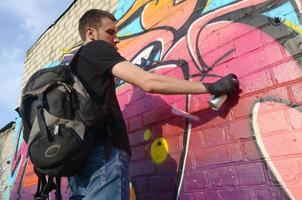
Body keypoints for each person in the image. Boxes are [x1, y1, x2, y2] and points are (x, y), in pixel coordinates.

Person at [68, 9, 240, 200]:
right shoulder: (96, 49)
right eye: (110, 32)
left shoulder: (73, 66)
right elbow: (148, 82)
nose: (116, 39)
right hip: (104, 158)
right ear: (90, 33)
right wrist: (210, 87)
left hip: (81, 164)